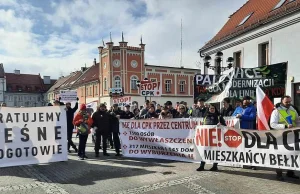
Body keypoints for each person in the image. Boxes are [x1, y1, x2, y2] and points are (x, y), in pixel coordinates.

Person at [270, 95, 299, 181]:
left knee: (292, 154)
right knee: (280, 154)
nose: (288, 103)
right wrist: (285, 126)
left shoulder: (293, 110)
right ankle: (279, 174)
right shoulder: (276, 111)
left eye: (290, 101)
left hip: (292, 135)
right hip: (280, 136)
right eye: (286, 102)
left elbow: (297, 121)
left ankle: (290, 172)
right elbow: (272, 124)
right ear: (282, 101)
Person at [197, 104, 226, 171]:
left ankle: (215, 166)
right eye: (210, 108)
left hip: (215, 137)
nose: (212, 109)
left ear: (215, 109)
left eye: (213, 108)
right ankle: (202, 165)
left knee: (215, 151)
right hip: (206, 136)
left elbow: (225, 125)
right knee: (204, 151)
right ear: (208, 109)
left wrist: (221, 124)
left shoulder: (219, 117)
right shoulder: (205, 116)